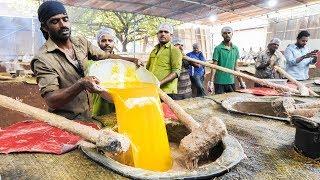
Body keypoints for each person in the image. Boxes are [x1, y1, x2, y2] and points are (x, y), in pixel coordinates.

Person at [31, 1, 140, 120]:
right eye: (55, 21)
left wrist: (131, 60)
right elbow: (51, 100)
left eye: (65, 19)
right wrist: (81, 84)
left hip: (88, 115)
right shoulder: (43, 58)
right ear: (45, 27)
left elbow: (105, 56)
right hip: (66, 122)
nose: (63, 25)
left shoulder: (80, 42)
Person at [146, 23, 182, 98]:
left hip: (167, 92)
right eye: (160, 32)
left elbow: (176, 72)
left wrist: (159, 83)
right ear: (157, 34)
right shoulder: (154, 50)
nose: (163, 34)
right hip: (152, 89)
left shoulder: (174, 50)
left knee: (165, 109)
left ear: (171, 35)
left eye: (166, 32)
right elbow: (147, 69)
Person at [208, 26, 245, 94]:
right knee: (220, 101)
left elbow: (236, 68)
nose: (227, 35)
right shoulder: (218, 48)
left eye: (229, 33)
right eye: (225, 33)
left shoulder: (235, 48)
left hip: (230, 81)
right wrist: (211, 82)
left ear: (232, 34)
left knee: (231, 100)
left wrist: (241, 82)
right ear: (222, 35)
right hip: (219, 82)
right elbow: (214, 67)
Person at [90, 28, 118, 117]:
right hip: (98, 105)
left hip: (118, 104)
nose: (107, 43)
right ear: (98, 43)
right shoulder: (91, 62)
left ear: (114, 43)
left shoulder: (121, 62)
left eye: (110, 40)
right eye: (103, 40)